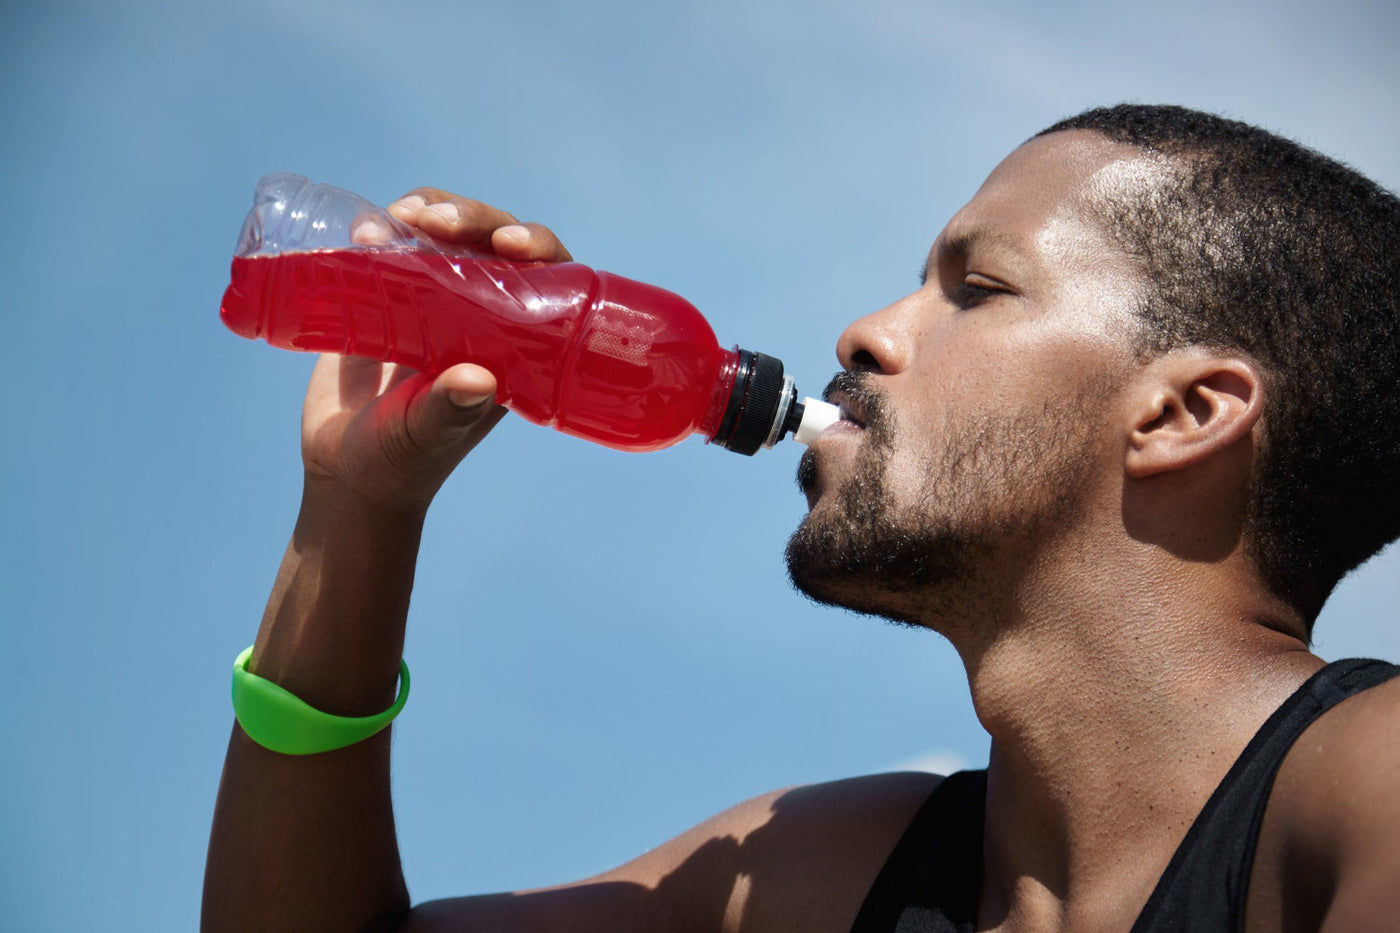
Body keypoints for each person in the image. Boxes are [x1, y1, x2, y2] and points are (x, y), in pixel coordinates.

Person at [202, 104, 1400, 932]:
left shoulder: (1370, 790)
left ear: (1183, 410)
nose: (864, 334)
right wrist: (359, 508)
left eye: (972, 290)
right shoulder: (827, 877)